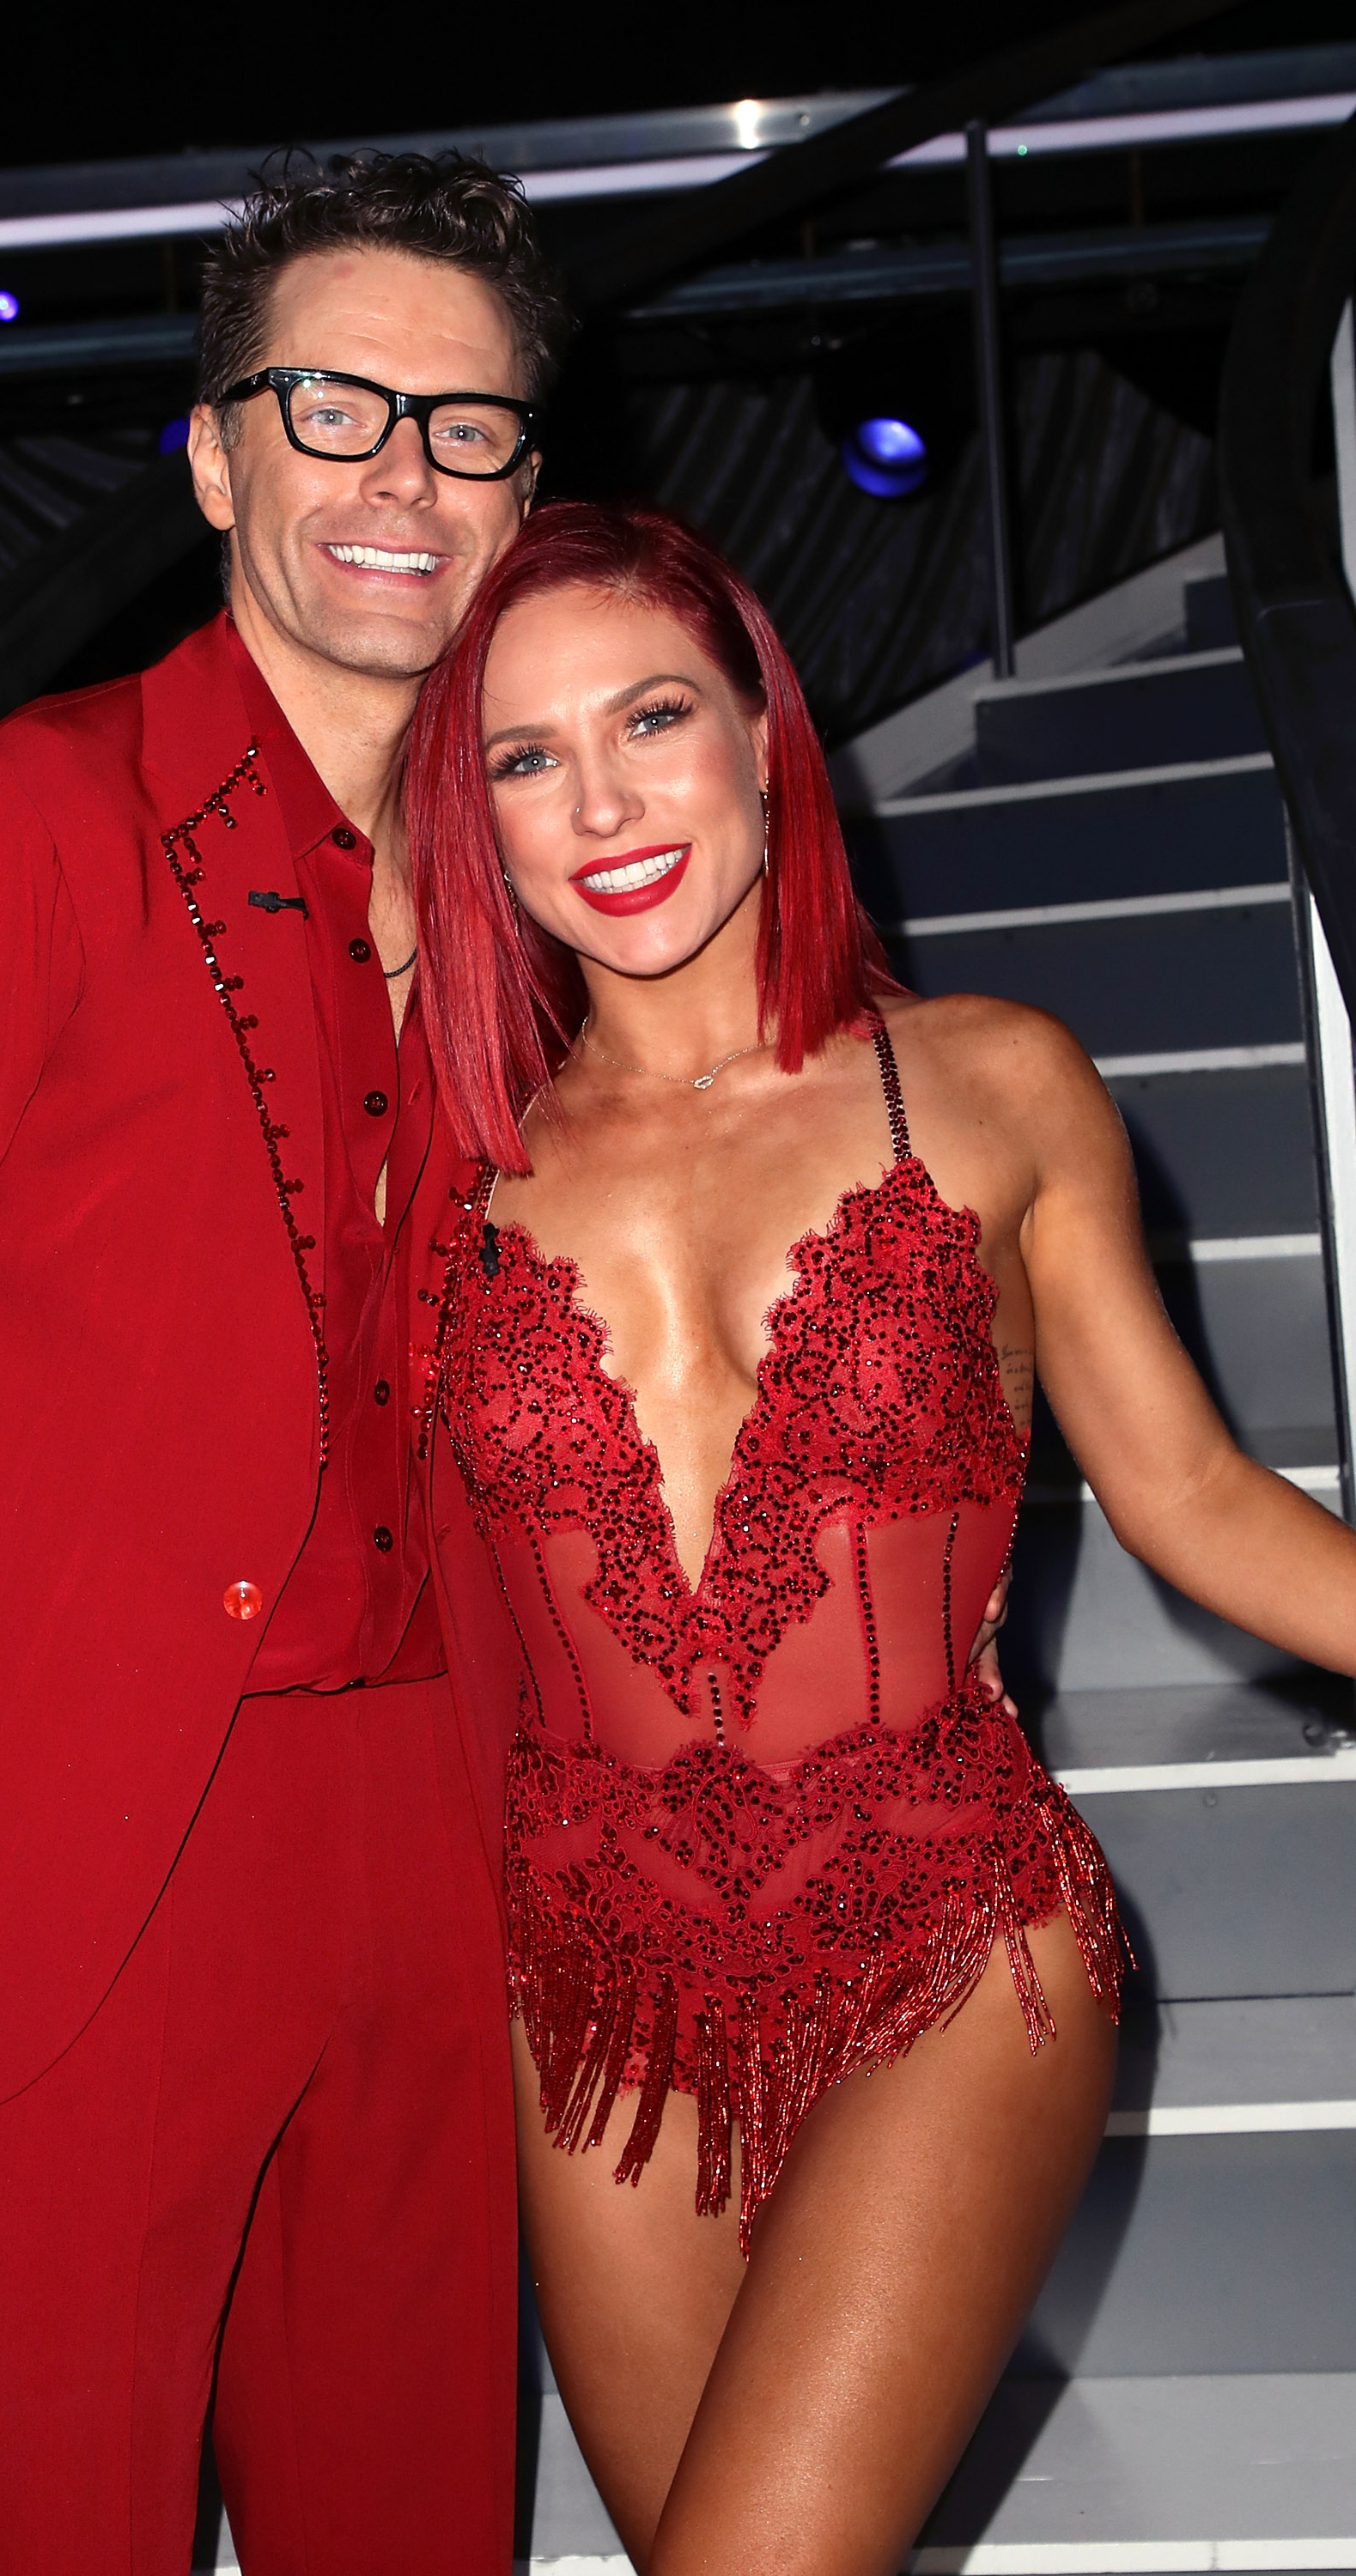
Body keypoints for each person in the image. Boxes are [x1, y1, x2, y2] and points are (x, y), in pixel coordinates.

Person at [0, 153, 563, 2576]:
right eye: (333, 406)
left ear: (525, 491)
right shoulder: (0, 829)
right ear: (214, 456)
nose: (399, 474)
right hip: (75, 1854)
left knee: (413, 2528)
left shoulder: (542, 899)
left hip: (432, 1837)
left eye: (466, 428)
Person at [406, 501, 1356, 2573]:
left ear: (764, 736)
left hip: (947, 1933)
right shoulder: (444, 1175)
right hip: (592, 1988)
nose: (606, 802)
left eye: (651, 718)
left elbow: (1192, 1498)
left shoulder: (994, 1083)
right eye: (525, 757)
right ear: (471, 826)